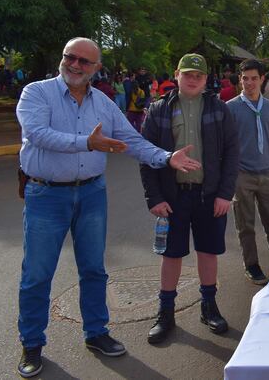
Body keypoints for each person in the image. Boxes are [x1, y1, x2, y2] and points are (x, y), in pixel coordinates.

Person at [15, 38, 200, 378]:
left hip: (91, 194)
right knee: (37, 275)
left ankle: (96, 332)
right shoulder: (36, 93)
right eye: (70, 57)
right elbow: (38, 133)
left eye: (85, 61)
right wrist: (87, 142)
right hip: (46, 195)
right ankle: (32, 344)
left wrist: (165, 157)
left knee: (94, 270)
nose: (75, 65)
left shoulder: (102, 102)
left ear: (96, 68)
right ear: (62, 58)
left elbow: (129, 140)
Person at [140, 53, 239, 344]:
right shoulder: (159, 110)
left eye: (199, 75)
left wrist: (225, 194)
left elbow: (232, 154)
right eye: (188, 74)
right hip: (172, 197)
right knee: (171, 255)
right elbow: (147, 156)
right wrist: (154, 198)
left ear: (206, 79)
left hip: (210, 197)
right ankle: (165, 312)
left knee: (208, 253)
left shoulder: (220, 109)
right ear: (177, 75)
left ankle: (209, 307)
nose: (193, 79)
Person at [227, 59, 269, 286]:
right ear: (240, 80)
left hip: (268, 172)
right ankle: (251, 264)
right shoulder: (230, 108)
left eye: (254, 78)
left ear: (263, 79)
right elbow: (226, 144)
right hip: (242, 175)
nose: (249, 83)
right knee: (245, 224)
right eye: (245, 78)